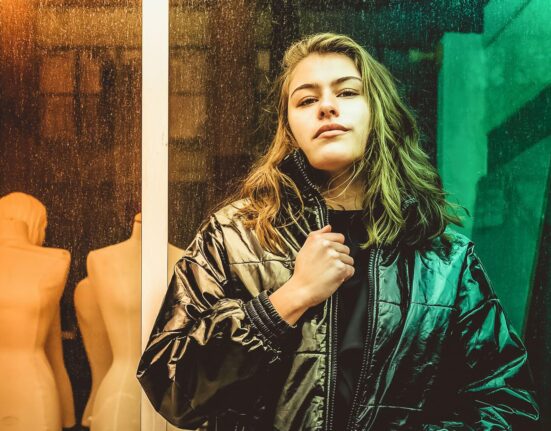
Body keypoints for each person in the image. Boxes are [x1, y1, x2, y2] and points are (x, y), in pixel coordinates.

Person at [137, 33, 540, 430]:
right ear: (289, 128)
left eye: (347, 92)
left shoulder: (444, 261)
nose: (327, 106)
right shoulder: (233, 235)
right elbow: (170, 388)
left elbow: (507, 404)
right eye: (306, 100)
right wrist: (286, 301)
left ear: (377, 111)